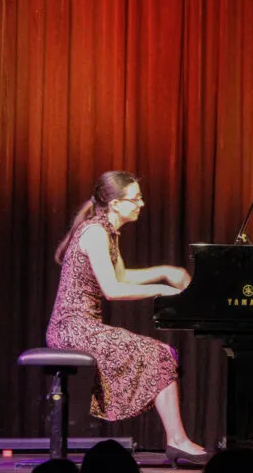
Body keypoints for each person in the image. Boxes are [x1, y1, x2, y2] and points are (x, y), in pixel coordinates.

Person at [46, 171, 208, 467]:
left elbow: (120, 275)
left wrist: (164, 270)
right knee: (158, 353)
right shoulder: (94, 232)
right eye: (135, 198)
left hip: (85, 326)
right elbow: (113, 289)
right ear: (116, 204)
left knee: (163, 353)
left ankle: (177, 440)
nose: (141, 204)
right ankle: (177, 440)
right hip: (70, 328)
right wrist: (163, 289)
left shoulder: (107, 231)